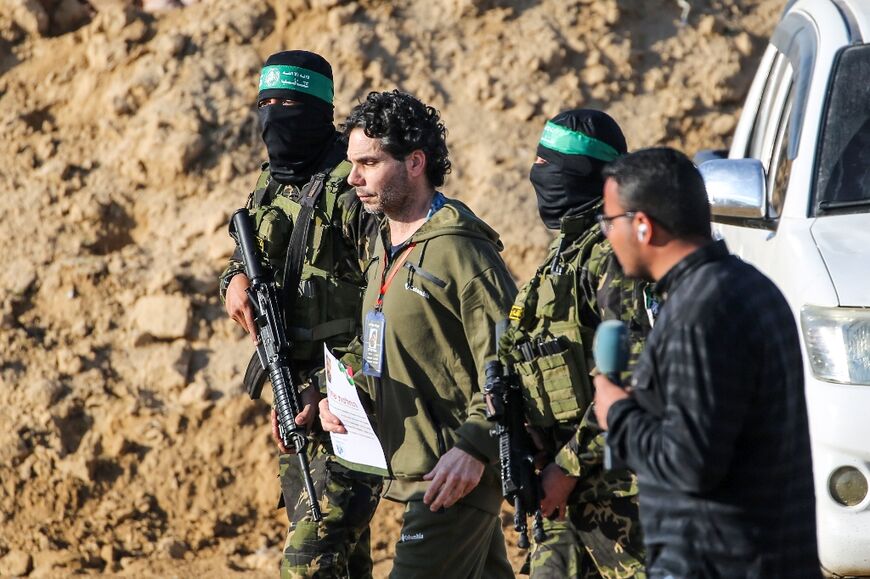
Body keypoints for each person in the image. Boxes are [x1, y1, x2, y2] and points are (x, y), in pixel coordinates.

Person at [318, 89, 516, 578]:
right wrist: (341, 397)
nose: (353, 177)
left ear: (415, 163)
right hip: (422, 472)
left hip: (453, 475)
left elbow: (508, 360)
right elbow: (386, 349)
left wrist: (474, 448)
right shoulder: (384, 246)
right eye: (352, 162)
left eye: (369, 162)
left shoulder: (461, 252)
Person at [593, 148, 818, 578]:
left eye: (610, 221)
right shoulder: (750, 287)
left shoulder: (700, 312)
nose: (606, 235)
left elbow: (690, 462)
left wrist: (617, 413)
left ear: (642, 225)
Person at [219, 50, 382, 579]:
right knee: (344, 564)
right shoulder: (271, 183)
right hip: (300, 402)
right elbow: (247, 260)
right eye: (266, 103)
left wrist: (329, 386)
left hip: (356, 405)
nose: (275, 115)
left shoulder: (352, 189)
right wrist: (234, 281)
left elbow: (387, 302)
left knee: (308, 563)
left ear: (319, 110)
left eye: (289, 103)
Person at [500, 109, 649, 578]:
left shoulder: (613, 256)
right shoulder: (563, 255)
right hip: (570, 487)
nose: (539, 174)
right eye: (538, 161)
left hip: (622, 496)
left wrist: (564, 470)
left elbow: (634, 379)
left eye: (555, 165)